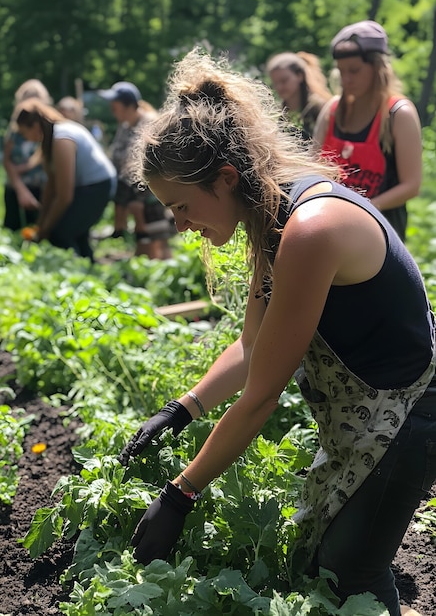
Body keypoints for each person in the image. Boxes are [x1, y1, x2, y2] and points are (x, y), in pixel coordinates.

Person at [118, 48, 436, 616]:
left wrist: (180, 493)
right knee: (323, 560)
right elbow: (249, 347)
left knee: (349, 576)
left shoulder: (311, 228)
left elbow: (262, 393)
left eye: (183, 207)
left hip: (407, 415)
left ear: (225, 177)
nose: (181, 226)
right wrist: (182, 408)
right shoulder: (273, 215)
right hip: (364, 414)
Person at [313, 20, 422, 242]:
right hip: (330, 228)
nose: (346, 80)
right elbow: (313, 166)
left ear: (378, 67)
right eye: (341, 71)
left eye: (354, 71)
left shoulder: (398, 114)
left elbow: (411, 185)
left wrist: (363, 209)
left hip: (381, 235)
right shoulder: (332, 111)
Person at [14, 98, 116, 262]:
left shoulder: (62, 139)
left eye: (24, 132)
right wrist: (40, 224)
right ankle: (89, 267)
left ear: (34, 126)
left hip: (97, 186)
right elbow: (51, 186)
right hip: (87, 186)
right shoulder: (51, 140)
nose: (26, 138)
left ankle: (73, 270)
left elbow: (64, 196)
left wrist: (45, 230)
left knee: (60, 234)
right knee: (77, 233)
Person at [99, 81, 175, 259]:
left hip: (151, 193)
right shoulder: (125, 126)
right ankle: (144, 277)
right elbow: (119, 161)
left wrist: (138, 199)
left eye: (115, 106)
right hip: (133, 195)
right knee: (143, 239)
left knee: (157, 238)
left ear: (128, 106)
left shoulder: (148, 125)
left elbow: (151, 165)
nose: (112, 110)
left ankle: (164, 274)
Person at [2, 79, 51, 231]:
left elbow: (46, 153)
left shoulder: (47, 126)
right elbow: (7, 159)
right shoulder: (15, 129)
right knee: (13, 226)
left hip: (39, 185)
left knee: (37, 227)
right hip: (15, 185)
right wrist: (20, 187)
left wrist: (26, 166)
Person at [265, 51, 332, 142]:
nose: (279, 87)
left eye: (284, 81)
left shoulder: (319, 108)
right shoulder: (277, 114)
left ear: (300, 76)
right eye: (275, 83)